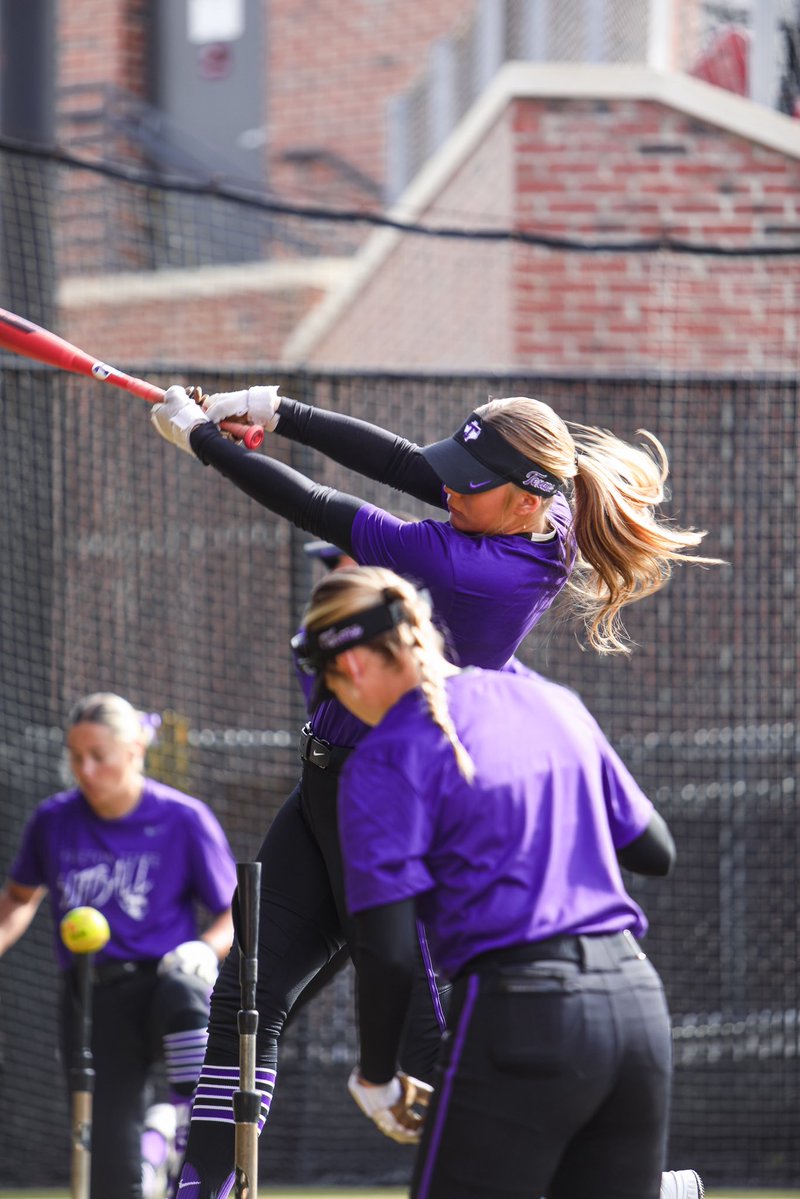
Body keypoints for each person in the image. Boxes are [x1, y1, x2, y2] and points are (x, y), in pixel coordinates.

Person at [150, 384, 714, 1199]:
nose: (449, 489)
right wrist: (274, 409)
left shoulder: (470, 566)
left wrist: (206, 440)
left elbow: (322, 505)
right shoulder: (527, 519)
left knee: (433, 1054)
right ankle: (204, 1186)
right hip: (324, 787)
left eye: (470, 483)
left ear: (527, 499)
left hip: (384, 801)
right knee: (246, 991)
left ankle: (630, 1188)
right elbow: (404, 463)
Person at [295, 563, 679, 1198]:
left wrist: (377, 1078)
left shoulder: (386, 755)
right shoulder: (551, 701)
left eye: (328, 682)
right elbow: (654, 850)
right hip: (637, 1011)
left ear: (354, 666)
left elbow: (386, 952)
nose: (336, 700)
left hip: (525, 1016)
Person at [0, 693, 237, 1199]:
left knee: (183, 997)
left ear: (134, 751)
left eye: (98, 756)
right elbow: (18, 898)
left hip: (168, 984)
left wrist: (204, 949)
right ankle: (148, 1146)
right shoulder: (53, 820)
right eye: (75, 755)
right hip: (93, 995)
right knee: (111, 1173)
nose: (84, 768)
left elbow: (232, 913)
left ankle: (178, 1120)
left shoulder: (183, 818)